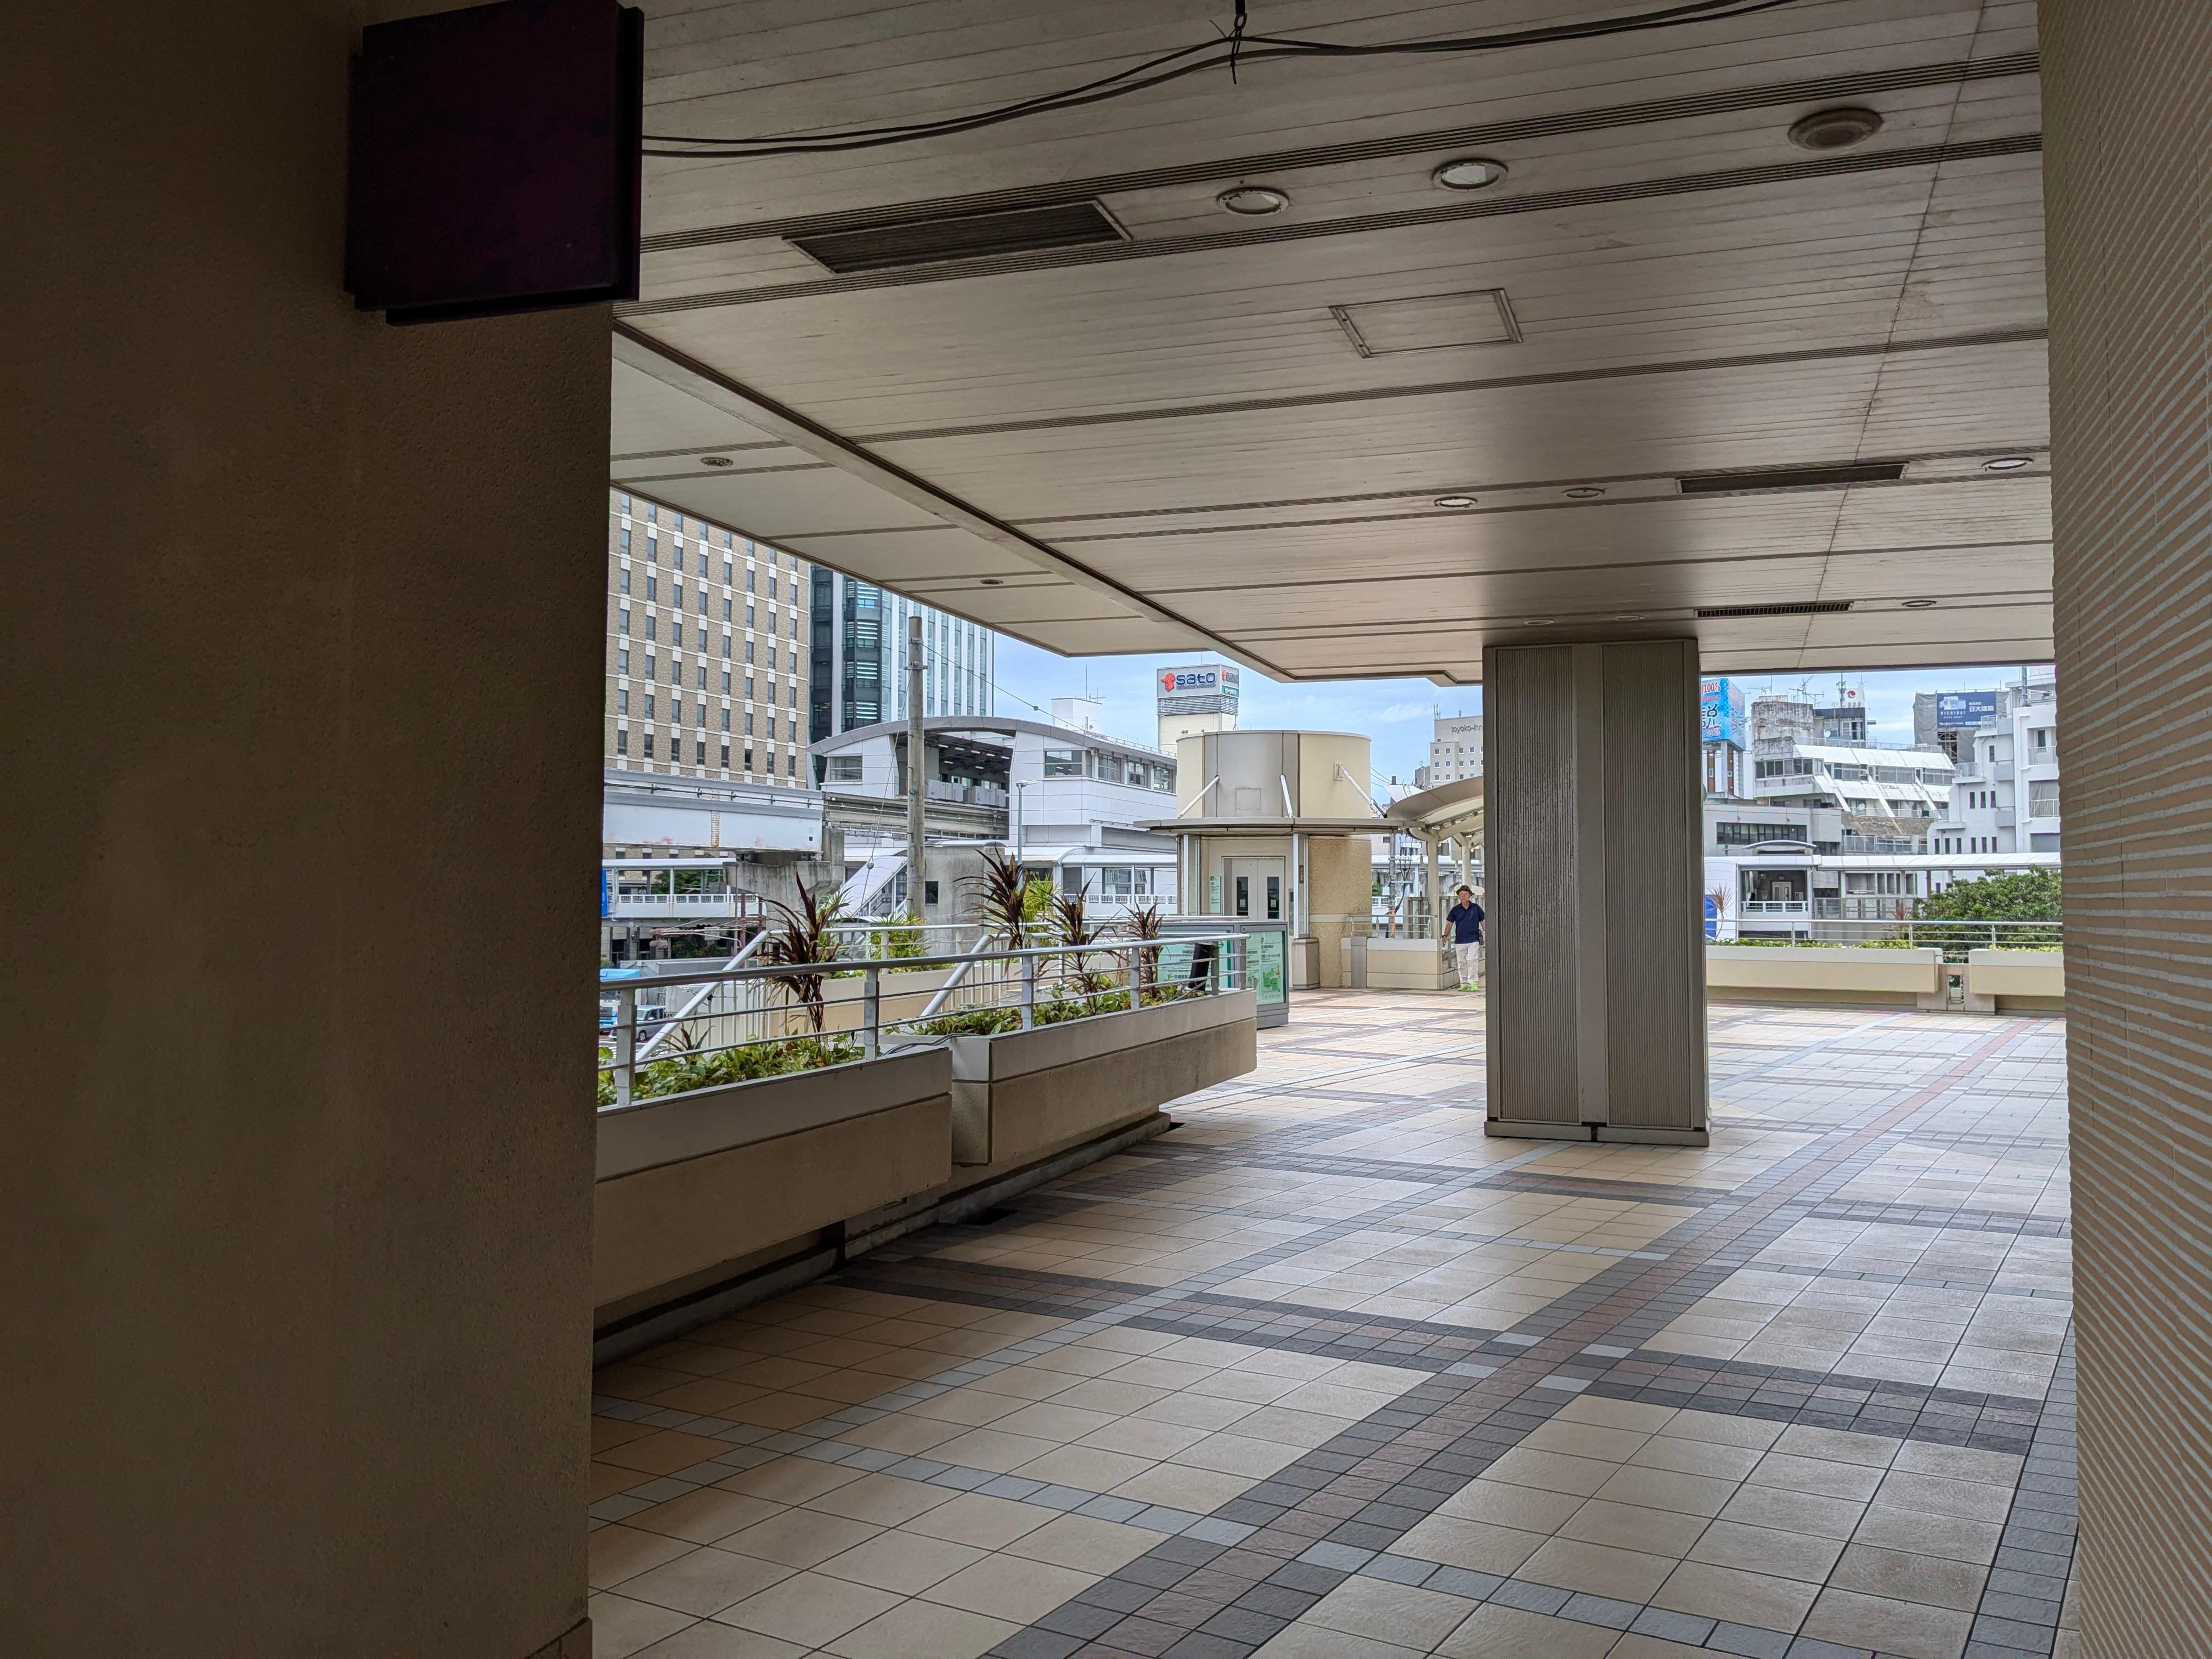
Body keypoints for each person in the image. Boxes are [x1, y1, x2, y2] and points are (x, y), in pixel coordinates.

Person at [1444, 885, 1485, 988]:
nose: (1463, 896)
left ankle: (1473, 983)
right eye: (1461, 894)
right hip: (1460, 940)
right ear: (1458, 896)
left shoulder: (1476, 908)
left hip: (1474, 939)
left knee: (1472, 960)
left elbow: (1483, 922)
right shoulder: (1455, 910)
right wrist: (1445, 935)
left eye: (1465, 894)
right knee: (1461, 963)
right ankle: (1464, 984)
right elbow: (1450, 924)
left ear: (1470, 895)